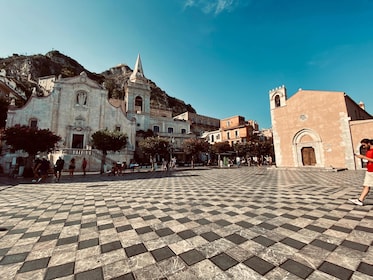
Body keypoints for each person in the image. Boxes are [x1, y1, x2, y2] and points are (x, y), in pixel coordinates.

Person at [349, 138, 373, 206]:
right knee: (366, 185)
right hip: (369, 171)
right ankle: (360, 200)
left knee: (367, 185)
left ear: (369, 143)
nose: (363, 147)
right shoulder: (368, 151)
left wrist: (364, 157)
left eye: (364, 145)